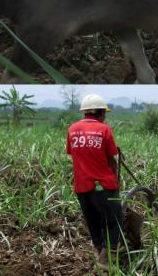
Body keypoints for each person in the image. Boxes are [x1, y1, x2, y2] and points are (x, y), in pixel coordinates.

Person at [66, 94, 122, 271]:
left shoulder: (72, 129)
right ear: (101, 113)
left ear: (85, 113)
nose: (105, 116)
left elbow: (72, 153)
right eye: (104, 113)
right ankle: (105, 261)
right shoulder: (105, 130)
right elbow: (112, 159)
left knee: (93, 221)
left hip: (82, 186)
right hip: (103, 185)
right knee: (115, 221)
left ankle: (98, 252)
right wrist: (116, 181)